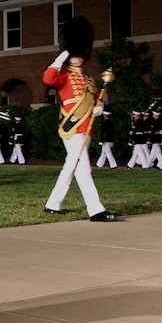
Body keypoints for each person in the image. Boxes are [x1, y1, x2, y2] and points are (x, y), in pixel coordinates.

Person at [42, 16, 115, 221]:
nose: (78, 57)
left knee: (72, 165)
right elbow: (47, 78)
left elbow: (92, 102)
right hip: (72, 126)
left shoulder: (89, 79)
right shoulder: (63, 75)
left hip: (86, 125)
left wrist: (98, 107)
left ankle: (52, 204)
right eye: (74, 53)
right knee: (82, 167)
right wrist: (62, 55)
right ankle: (96, 209)